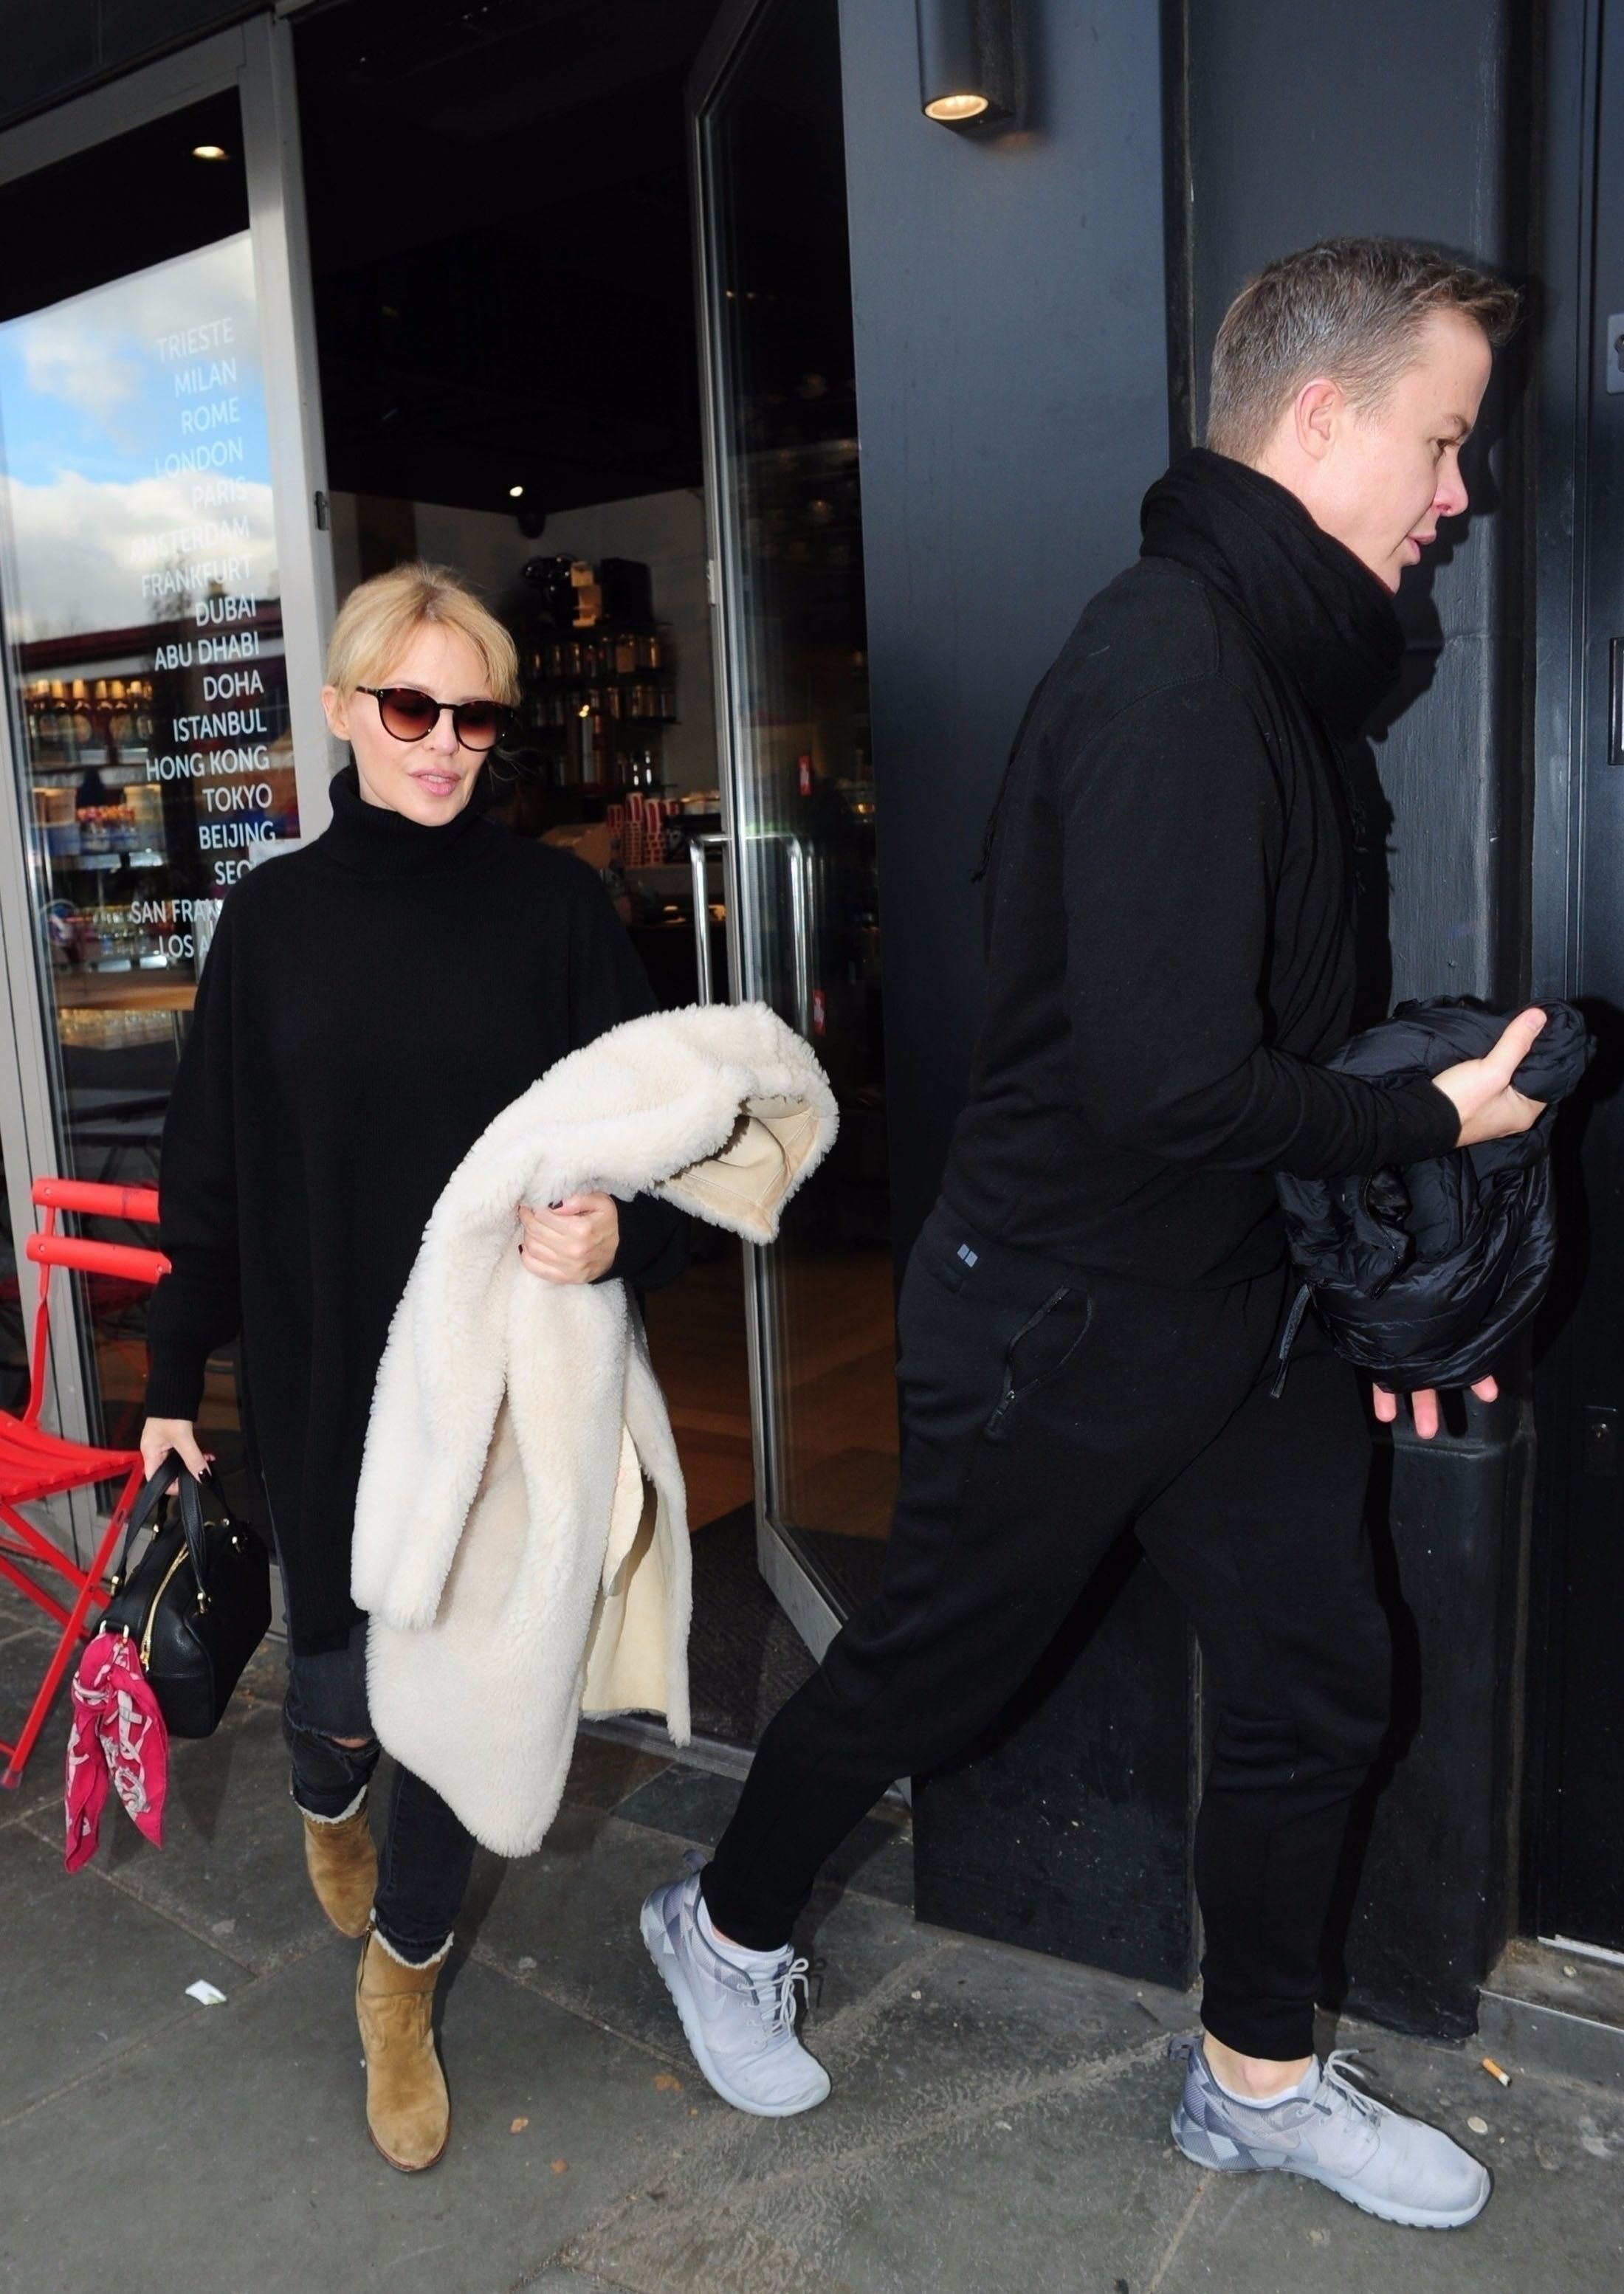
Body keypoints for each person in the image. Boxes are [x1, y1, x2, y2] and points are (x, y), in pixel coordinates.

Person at [641, 239, 1537, 2228]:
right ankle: (723, 1919)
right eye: (1440, 440)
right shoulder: (1171, 665)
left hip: (1233, 1303)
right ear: (1323, 418)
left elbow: (1259, 1041)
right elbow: (1164, 1082)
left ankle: (1256, 2079)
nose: (1457, 491)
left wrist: (1396, 1216)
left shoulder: (1275, 674)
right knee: (936, 1676)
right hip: (1059, 1313)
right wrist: (1431, 1119)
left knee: (1317, 1683)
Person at [141, 562, 686, 2173]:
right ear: (341, 710)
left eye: (475, 715)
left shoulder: (555, 912)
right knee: (338, 1698)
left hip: (500, 1393)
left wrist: (620, 1235)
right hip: (324, 1387)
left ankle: (403, 1978)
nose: (446, 742)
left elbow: (668, 1135)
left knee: (451, 1707)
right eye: (410, 707)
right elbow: (207, 1173)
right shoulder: (270, 922)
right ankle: (325, 1792)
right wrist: (169, 1383)